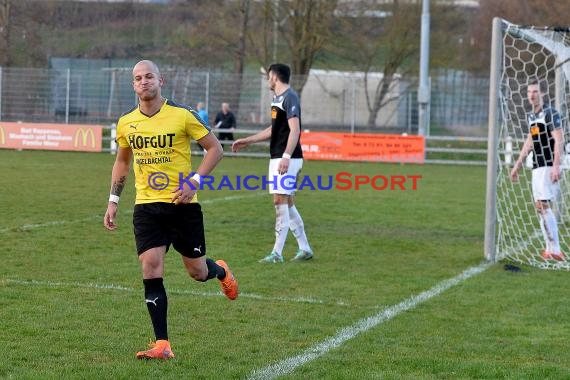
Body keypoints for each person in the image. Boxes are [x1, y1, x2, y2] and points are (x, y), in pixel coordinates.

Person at [103, 60, 238, 360]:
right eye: (138, 78)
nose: (144, 82)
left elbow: (216, 149)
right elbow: (122, 161)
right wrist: (113, 200)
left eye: (149, 76)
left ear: (161, 80)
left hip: (183, 205)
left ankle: (221, 271)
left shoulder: (182, 114)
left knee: (197, 271)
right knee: (150, 266)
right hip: (147, 207)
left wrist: (194, 181)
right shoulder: (126, 122)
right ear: (133, 84)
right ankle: (162, 343)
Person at [232, 63, 313, 263]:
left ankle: (277, 253)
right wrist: (248, 140)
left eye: (269, 76)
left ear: (275, 77)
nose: (268, 80)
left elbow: (295, 130)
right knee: (288, 202)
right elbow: (273, 130)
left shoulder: (290, 97)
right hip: (279, 156)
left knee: (279, 201)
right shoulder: (278, 99)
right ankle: (305, 249)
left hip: (288, 158)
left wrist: (286, 156)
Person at [510, 77, 565, 261]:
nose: (531, 95)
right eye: (529, 92)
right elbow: (531, 141)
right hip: (537, 165)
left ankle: (555, 249)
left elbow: (559, 139)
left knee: (543, 204)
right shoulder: (532, 116)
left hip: (549, 164)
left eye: (535, 91)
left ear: (542, 93)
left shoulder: (550, 113)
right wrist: (517, 165)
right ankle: (549, 248)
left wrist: (556, 166)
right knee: (539, 206)